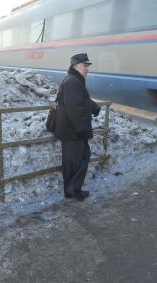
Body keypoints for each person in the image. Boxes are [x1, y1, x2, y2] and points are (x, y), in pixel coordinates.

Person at [55, 53, 101, 201]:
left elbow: (82, 99)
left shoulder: (75, 80)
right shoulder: (72, 82)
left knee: (76, 160)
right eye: (84, 65)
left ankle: (72, 190)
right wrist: (82, 130)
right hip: (73, 131)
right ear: (75, 66)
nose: (87, 68)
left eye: (87, 66)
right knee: (77, 161)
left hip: (72, 130)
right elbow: (74, 109)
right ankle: (73, 190)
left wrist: (94, 107)